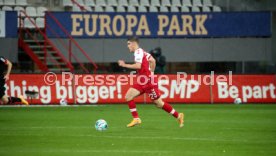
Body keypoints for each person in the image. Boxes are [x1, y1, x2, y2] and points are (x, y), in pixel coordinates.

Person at [118, 37, 184, 128]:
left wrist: (124, 65)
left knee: (159, 103)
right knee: (128, 96)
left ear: (133, 43)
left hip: (148, 82)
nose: (128, 46)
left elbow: (138, 65)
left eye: (129, 44)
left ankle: (178, 115)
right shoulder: (143, 52)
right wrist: (151, 72)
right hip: (142, 81)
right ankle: (136, 118)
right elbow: (153, 60)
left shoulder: (138, 52)